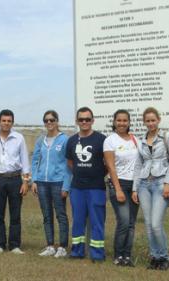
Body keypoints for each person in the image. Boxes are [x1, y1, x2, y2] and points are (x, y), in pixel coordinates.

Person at [131, 107, 169, 270]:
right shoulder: (141, 139)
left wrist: (168, 183)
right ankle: (155, 257)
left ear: (158, 120)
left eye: (153, 120)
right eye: (147, 120)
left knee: (157, 224)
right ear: (144, 122)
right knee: (149, 224)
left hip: (159, 183)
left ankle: (164, 256)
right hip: (144, 184)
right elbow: (138, 164)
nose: (150, 123)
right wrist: (135, 188)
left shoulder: (167, 137)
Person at [65, 107, 107, 261]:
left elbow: (108, 163)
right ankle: (77, 252)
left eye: (87, 119)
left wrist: (97, 174)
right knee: (78, 221)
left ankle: (97, 253)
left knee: (97, 221)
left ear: (92, 121)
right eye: (81, 119)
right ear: (77, 121)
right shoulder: (71, 141)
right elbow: (70, 162)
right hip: (77, 188)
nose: (84, 122)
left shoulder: (102, 139)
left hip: (96, 187)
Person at [0, 109, 30, 254]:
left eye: (9, 121)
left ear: (12, 122)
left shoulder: (19, 138)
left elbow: (25, 160)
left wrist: (25, 182)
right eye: (4, 120)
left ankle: (14, 245)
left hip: (15, 179)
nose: (6, 123)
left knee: (15, 213)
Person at [31, 110, 71, 258]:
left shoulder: (65, 139)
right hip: (42, 183)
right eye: (46, 120)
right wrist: (34, 180)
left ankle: (62, 247)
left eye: (52, 120)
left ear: (57, 121)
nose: (49, 123)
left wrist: (66, 185)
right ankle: (50, 246)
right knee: (47, 215)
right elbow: (35, 160)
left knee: (61, 215)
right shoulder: (40, 140)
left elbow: (69, 165)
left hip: (58, 182)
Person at [103, 109, 140, 267]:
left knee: (131, 223)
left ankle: (127, 255)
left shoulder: (135, 140)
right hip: (118, 183)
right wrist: (117, 189)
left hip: (134, 185)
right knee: (124, 221)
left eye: (125, 120)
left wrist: (137, 188)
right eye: (119, 120)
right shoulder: (110, 140)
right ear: (114, 122)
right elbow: (110, 167)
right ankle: (118, 255)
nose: (122, 123)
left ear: (129, 122)